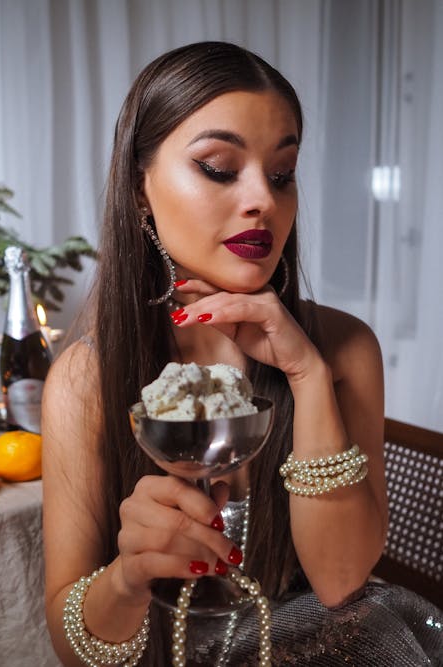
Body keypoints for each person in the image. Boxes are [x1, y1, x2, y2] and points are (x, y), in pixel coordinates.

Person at [42, 42, 442, 666]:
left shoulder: (344, 349)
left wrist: (306, 373)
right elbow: (71, 649)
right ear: (140, 190)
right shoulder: (85, 377)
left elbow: (339, 584)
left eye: (282, 174)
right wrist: (126, 577)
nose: (264, 198)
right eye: (220, 168)